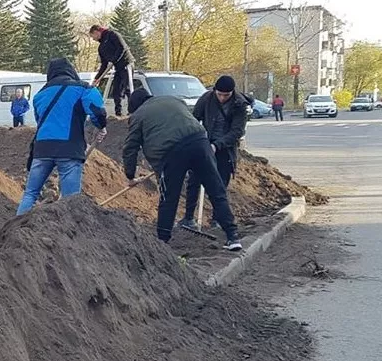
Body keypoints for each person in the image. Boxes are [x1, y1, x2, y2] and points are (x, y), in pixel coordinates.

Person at [122, 88, 243, 251]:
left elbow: (130, 148)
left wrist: (130, 175)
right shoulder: (173, 100)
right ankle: (233, 236)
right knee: (217, 191)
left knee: (168, 198)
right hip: (200, 143)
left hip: (171, 153)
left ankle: (162, 243)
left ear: (135, 106)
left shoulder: (138, 116)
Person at [17, 58, 108, 215]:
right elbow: (97, 111)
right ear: (71, 70)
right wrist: (101, 126)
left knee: (30, 194)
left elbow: (40, 121)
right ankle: (70, 235)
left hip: (42, 149)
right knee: (70, 199)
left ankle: (16, 229)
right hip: (69, 149)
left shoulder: (40, 95)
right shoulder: (83, 88)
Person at [180, 75, 250, 228]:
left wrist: (217, 145)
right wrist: (196, 140)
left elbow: (237, 131)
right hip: (203, 146)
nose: (222, 98)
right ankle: (188, 218)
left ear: (232, 92)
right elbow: (193, 119)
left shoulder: (240, 104)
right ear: (214, 91)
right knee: (194, 182)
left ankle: (217, 220)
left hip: (225, 150)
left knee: (219, 185)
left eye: (226, 95)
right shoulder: (207, 98)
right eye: (219, 94)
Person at [89, 25, 135, 117]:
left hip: (126, 64)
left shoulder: (112, 34)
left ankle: (132, 112)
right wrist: (97, 78)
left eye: (92, 36)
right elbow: (104, 65)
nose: (93, 39)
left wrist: (113, 60)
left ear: (96, 32)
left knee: (127, 88)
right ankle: (118, 113)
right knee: (116, 90)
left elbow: (122, 48)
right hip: (118, 68)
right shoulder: (101, 48)